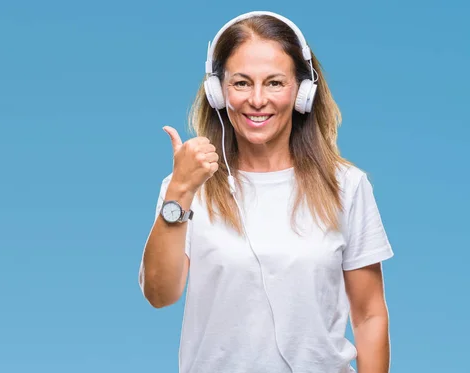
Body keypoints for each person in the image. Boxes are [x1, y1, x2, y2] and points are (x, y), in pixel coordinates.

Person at [138, 10, 394, 373]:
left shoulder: (346, 186)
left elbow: (369, 315)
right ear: (217, 92)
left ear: (303, 91)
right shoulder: (188, 186)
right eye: (241, 83)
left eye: (274, 83)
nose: (257, 100)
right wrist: (179, 191)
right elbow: (160, 295)